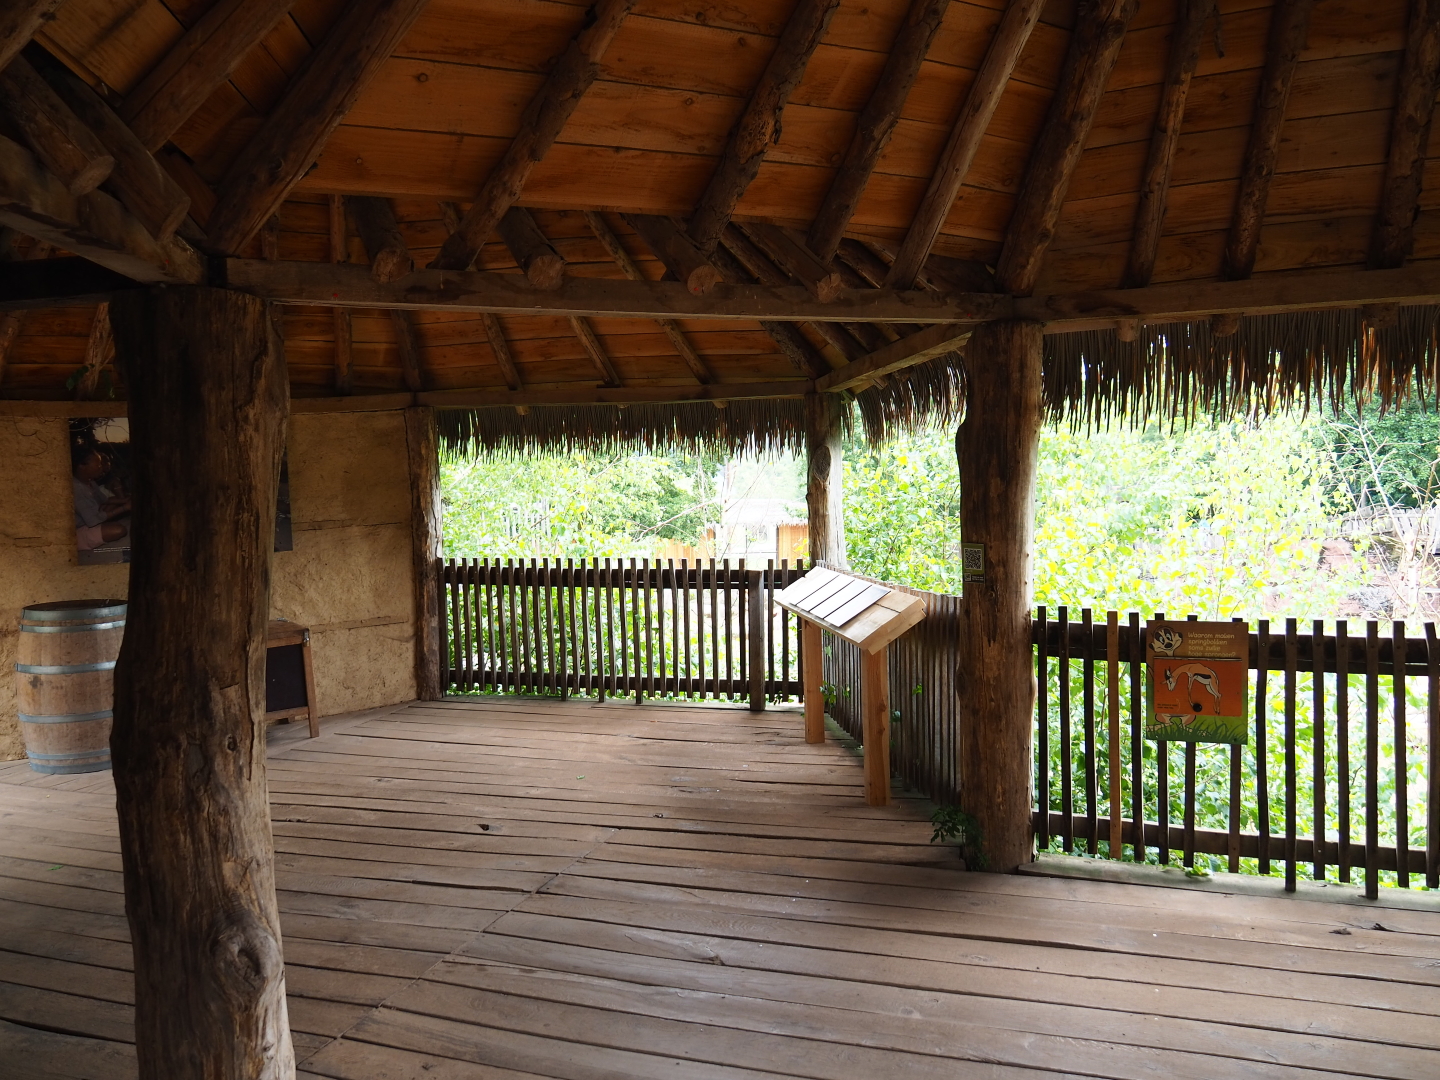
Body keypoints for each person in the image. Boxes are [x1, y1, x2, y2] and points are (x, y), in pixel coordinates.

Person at [72, 442, 130, 552]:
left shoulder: (90, 481)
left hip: (90, 521)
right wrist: (124, 508)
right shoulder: (76, 489)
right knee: (118, 530)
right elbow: (93, 520)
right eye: (98, 465)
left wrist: (124, 500)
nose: (101, 468)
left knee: (112, 505)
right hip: (77, 531)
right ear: (81, 466)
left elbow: (105, 500)